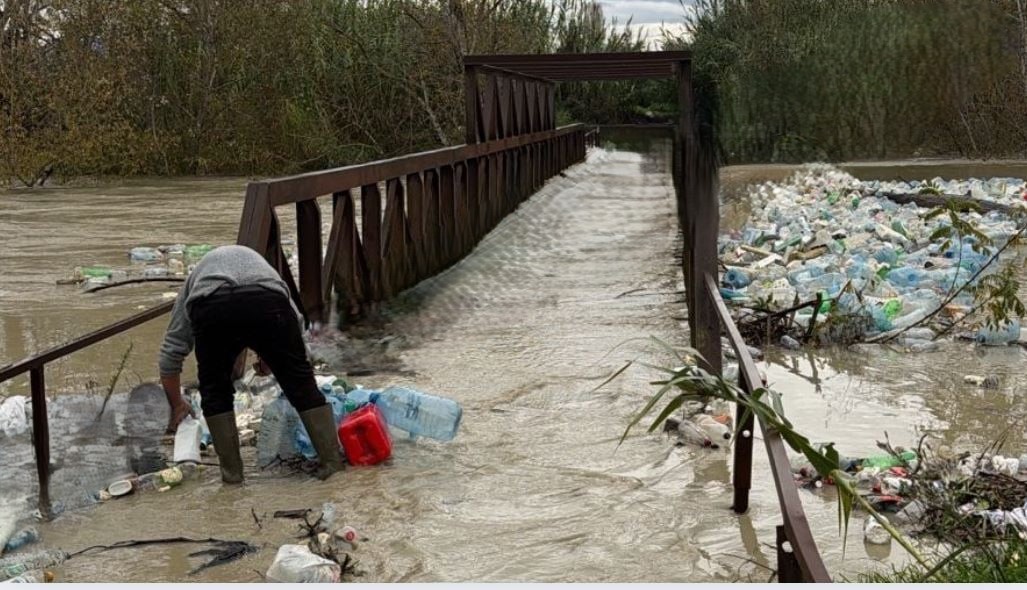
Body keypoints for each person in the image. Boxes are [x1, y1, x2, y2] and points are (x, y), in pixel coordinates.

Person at [158, 245, 343, 482]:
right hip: (268, 302)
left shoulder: (196, 281)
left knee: (215, 391)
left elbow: (170, 353)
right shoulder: (267, 272)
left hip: (214, 306)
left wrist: (177, 405)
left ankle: (232, 477)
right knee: (301, 385)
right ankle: (332, 465)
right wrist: (276, 359)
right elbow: (295, 332)